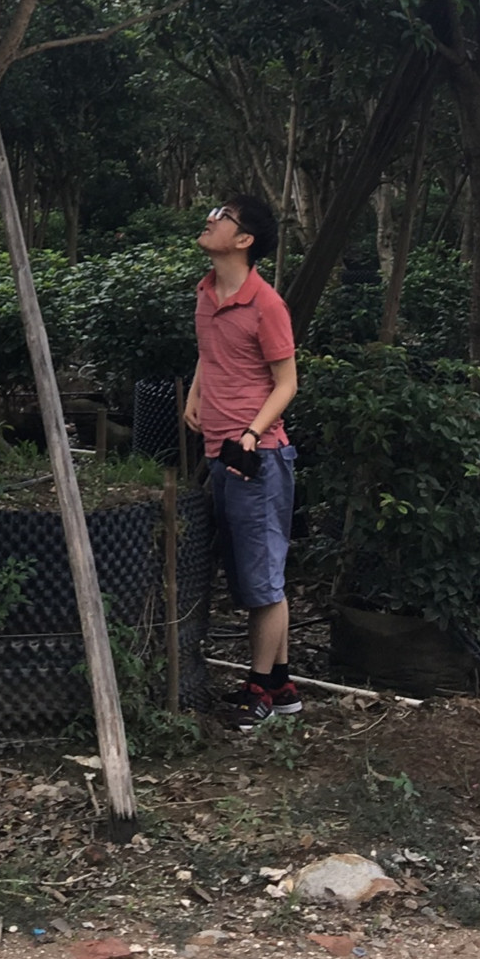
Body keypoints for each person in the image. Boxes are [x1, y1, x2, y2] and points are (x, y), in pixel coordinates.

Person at [183, 194, 301, 726]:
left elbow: (287, 383)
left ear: (245, 240)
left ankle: (259, 694)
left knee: (262, 582)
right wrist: (195, 394)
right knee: (256, 574)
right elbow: (210, 354)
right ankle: (282, 686)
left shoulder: (266, 304)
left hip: (258, 457)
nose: (210, 221)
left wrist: (252, 433)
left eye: (222, 218)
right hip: (218, 449)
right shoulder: (206, 292)